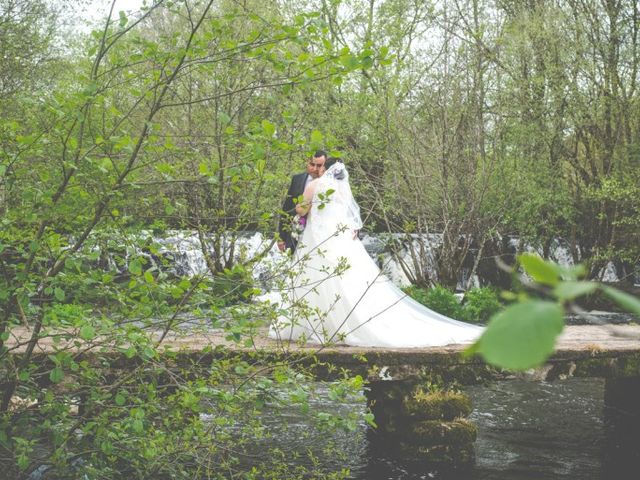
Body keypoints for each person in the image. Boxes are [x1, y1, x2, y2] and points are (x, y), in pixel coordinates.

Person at [269, 157, 483, 347]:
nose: (318, 168)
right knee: (349, 278)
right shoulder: (343, 189)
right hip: (340, 237)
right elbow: (348, 212)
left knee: (315, 277)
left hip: (316, 237)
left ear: (327, 168)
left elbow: (302, 209)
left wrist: (300, 213)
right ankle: (345, 322)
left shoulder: (314, 186)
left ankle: (315, 324)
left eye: (322, 165)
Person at [277, 150, 327, 253]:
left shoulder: (332, 184)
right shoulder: (297, 179)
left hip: (322, 234)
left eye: (319, 165)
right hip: (295, 233)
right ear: (307, 162)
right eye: (312, 164)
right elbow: (287, 207)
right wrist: (281, 237)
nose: (314, 169)